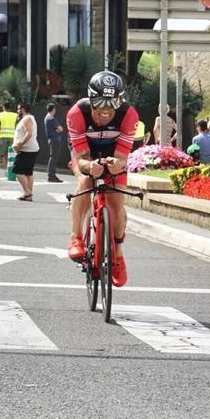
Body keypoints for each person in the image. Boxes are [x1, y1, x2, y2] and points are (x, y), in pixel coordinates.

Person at [65, 70, 140, 288]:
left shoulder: (129, 114)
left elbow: (122, 158)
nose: (106, 109)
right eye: (100, 102)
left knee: (116, 202)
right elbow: (80, 159)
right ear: (90, 99)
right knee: (85, 183)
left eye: (112, 103)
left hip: (113, 153)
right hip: (86, 154)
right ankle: (75, 237)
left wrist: (117, 165)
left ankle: (117, 255)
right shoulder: (76, 113)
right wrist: (89, 166)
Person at [11, 102, 39, 201]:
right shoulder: (30, 118)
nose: (17, 111)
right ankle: (29, 195)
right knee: (28, 173)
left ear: (23, 109)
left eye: (18, 109)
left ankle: (27, 191)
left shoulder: (26, 119)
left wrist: (19, 145)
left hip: (26, 149)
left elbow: (29, 133)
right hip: (31, 149)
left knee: (17, 171)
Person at [44, 102, 64, 183]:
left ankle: (52, 175)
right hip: (55, 140)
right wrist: (57, 129)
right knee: (53, 158)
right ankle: (51, 176)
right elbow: (61, 129)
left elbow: (58, 129)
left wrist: (57, 129)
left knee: (52, 158)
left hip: (51, 139)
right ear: (53, 109)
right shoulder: (51, 119)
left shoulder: (46, 118)